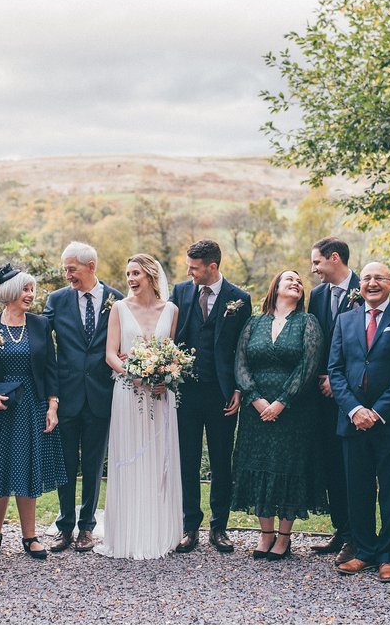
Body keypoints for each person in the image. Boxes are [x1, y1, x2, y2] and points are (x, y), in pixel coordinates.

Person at [0, 265, 67, 560]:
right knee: (0, 467)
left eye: (31, 289)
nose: (30, 295)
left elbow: (51, 367)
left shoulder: (39, 325)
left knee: (28, 467)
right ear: (10, 292)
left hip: (31, 407)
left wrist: (52, 405)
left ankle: (30, 536)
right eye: (25, 289)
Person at [328, 261, 390, 582]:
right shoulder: (344, 320)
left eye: (378, 278)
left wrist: (377, 412)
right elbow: (335, 370)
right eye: (366, 278)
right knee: (358, 489)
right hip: (352, 421)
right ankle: (365, 551)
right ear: (360, 284)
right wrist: (355, 410)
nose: (371, 283)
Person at [231, 270, 323, 560]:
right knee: (258, 466)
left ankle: (284, 537)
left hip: (293, 412)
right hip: (255, 412)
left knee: (287, 468)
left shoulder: (308, 322)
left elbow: (308, 366)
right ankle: (265, 533)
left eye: (299, 281)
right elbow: (241, 362)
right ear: (276, 288)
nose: (295, 283)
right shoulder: (254, 323)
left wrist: (282, 401)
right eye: (289, 280)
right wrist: (256, 399)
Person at [97, 254, 182, 559]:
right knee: (130, 458)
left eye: (136, 273)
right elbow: (110, 354)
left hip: (160, 396)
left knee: (159, 459)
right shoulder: (119, 308)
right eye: (128, 273)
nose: (131, 279)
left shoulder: (170, 310)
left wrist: (164, 376)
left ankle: (158, 530)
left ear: (150, 275)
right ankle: (128, 534)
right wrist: (135, 375)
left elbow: (172, 355)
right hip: (128, 392)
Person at [170, 239, 252, 553]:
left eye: (194, 268)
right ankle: (190, 526)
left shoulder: (239, 299)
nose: (189, 273)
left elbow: (243, 350)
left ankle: (220, 528)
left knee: (221, 462)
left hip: (221, 394)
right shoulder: (181, 292)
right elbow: (170, 337)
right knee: (187, 461)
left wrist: (237, 389)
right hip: (186, 392)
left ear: (212, 266)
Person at [43, 242, 125, 552]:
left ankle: (87, 526)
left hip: (101, 395)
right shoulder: (57, 300)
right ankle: (65, 525)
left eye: (71, 269)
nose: (67, 275)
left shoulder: (117, 299)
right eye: (65, 269)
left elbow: (127, 339)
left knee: (92, 465)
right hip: (66, 394)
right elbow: (39, 335)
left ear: (91, 267)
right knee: (65, 463)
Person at [307, 237, 362, 564]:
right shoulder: (316, 296)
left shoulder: (364, 289)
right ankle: (340, 529)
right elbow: (316, 340)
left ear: (335, 258)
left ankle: (356, 535)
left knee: (350, 468)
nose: (313, 269)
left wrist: (336, 379)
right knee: (330, 466)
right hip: (321, 397)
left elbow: (366, 345)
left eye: (317, 263)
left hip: (352, 394)